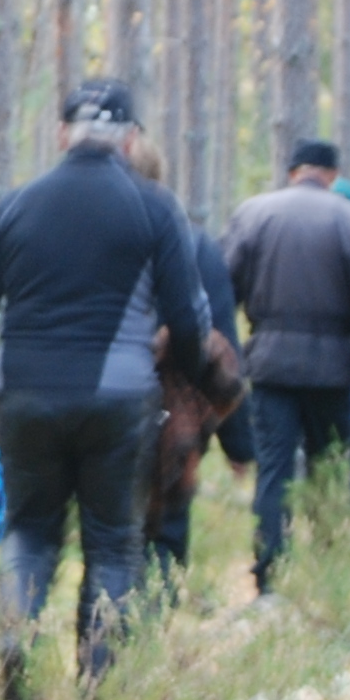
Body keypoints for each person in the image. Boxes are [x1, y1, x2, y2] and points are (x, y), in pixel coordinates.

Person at [0, 80, 214, 700]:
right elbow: (187, 319)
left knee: (29, 532)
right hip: (119, 401)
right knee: (113, 546)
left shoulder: (17, 205)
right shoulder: (154, 207)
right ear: (131, 140)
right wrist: (194, 390)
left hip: (25, 397)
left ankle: (16, 632)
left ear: (62, 134)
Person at [220, 137, 350, 590]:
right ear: (333, 175)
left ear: (292, 172)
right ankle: (327, 566)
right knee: (328, 467)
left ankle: (270, 573)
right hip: (332, 369)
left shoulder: (254, 214)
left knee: (274, 470)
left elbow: (223, 290)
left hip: (270, 365)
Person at [117, 134, 246, 592]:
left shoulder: (89, 235)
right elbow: (222, 346)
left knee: (112, 524)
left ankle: (114, 613)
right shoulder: (193, 243)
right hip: (174, 410)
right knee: (169, 516)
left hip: (106, 396)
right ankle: (154, 612)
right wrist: (239, 443)